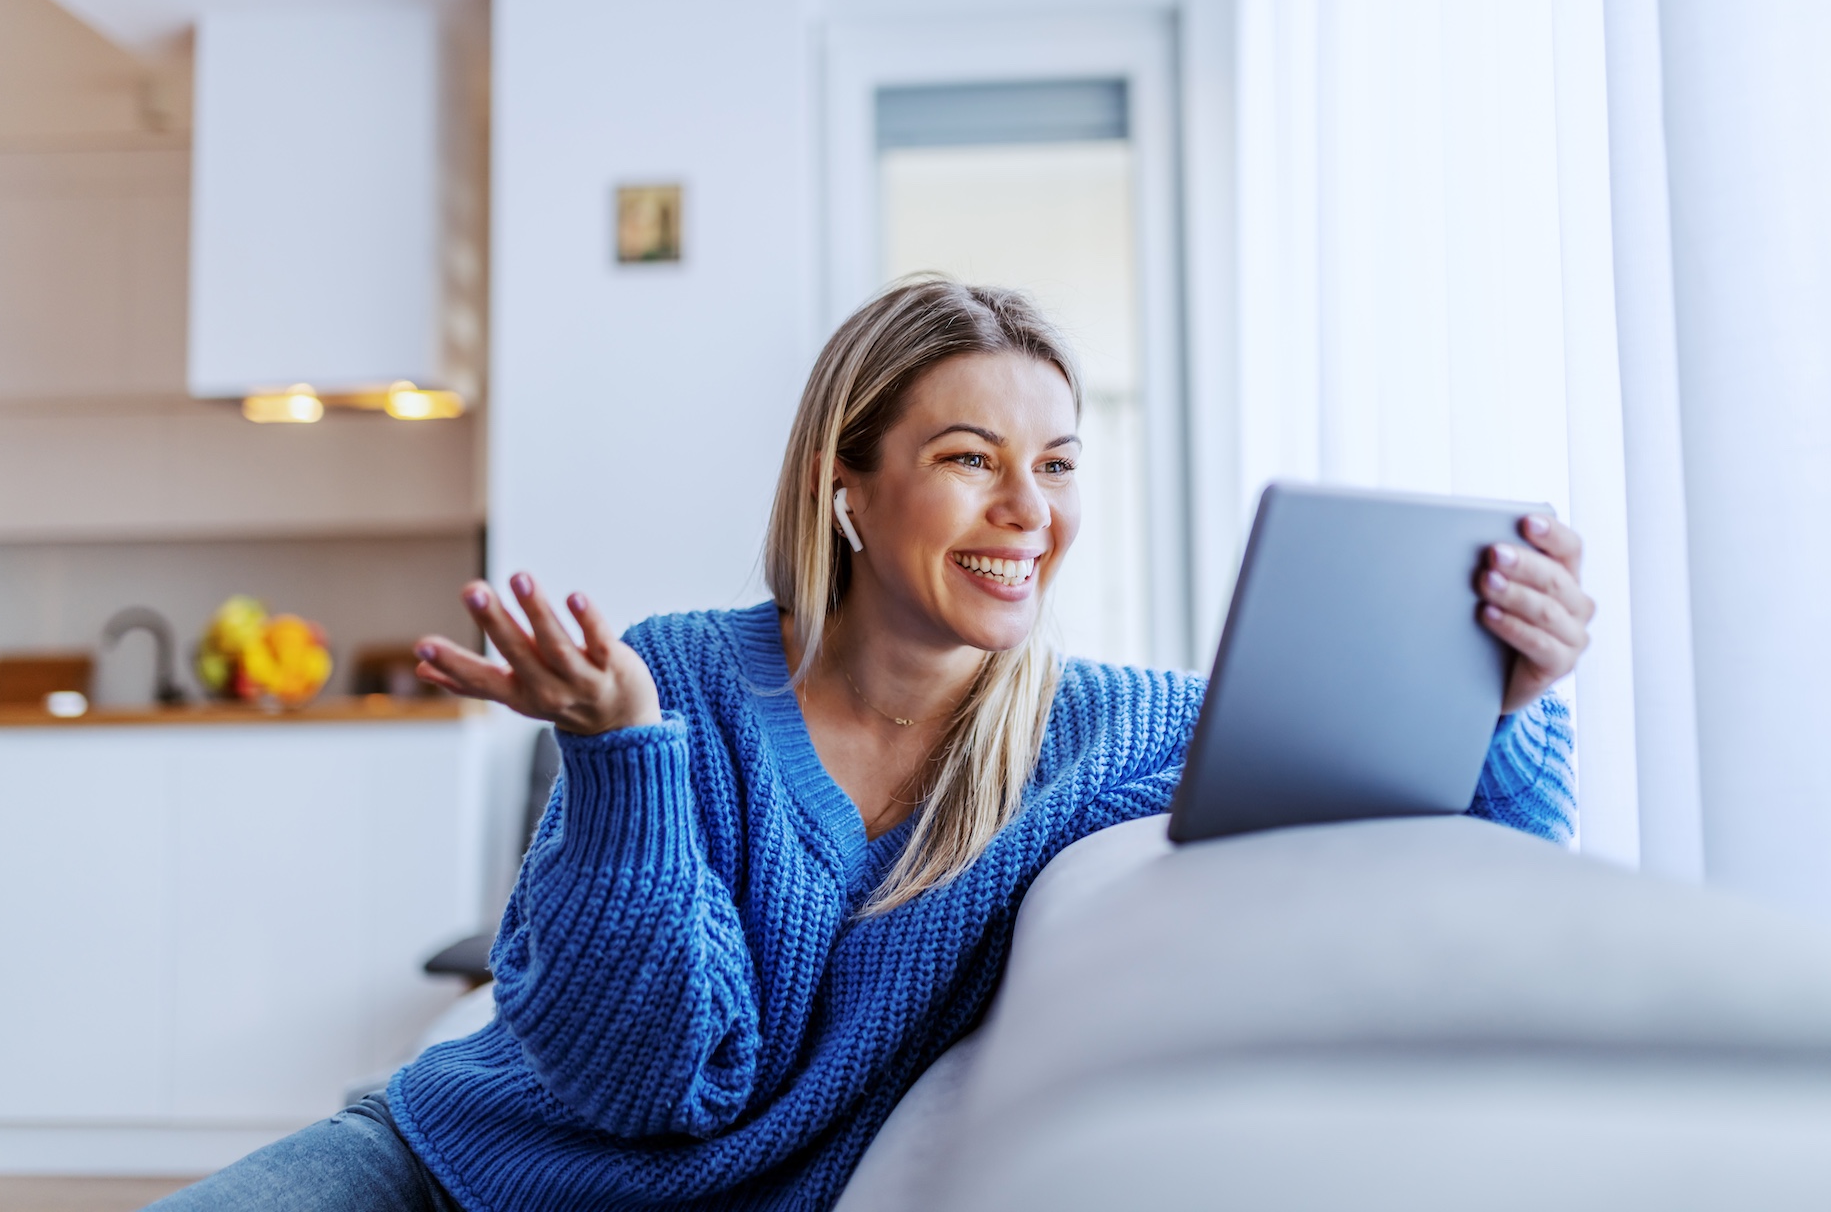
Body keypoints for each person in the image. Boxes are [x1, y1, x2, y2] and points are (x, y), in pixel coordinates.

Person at [153, 278, 1590, 1211]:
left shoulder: (1120, 738)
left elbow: (1479, 854)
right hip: (443, 1173)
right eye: (972, 459)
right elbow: (642, 1082)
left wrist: (1510, 694)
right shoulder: (679, 682)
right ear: (849, 485)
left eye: (1059, 464)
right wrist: (623, 757)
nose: (1030, 510)